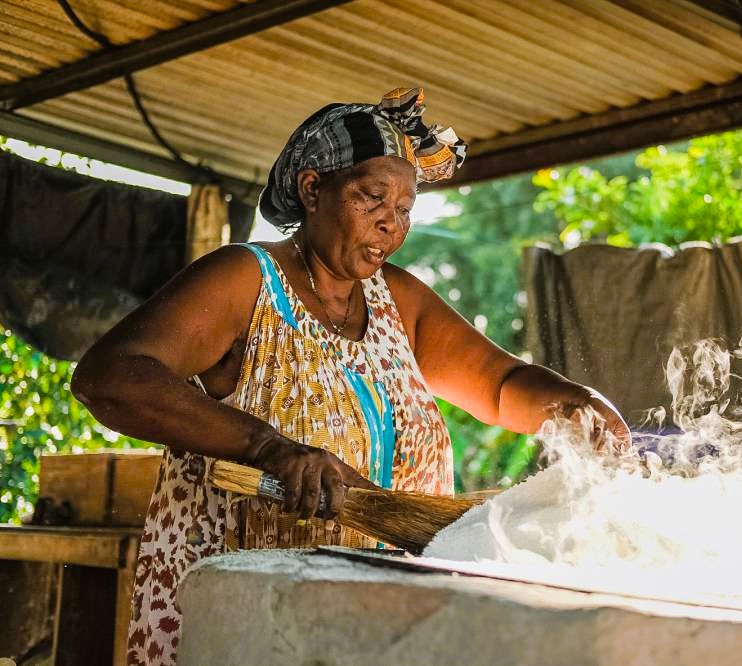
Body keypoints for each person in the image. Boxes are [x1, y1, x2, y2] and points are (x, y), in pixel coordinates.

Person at [71, 88, 629, 666]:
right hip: (252, 622)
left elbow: (499, 384)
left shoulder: (397, 301)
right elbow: (111, 379)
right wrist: (269, 447)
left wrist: (575, 406)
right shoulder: (246, 280)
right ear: (314, 190)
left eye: (406, 208)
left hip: (371, 624)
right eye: (372, 198)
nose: (392, 223)